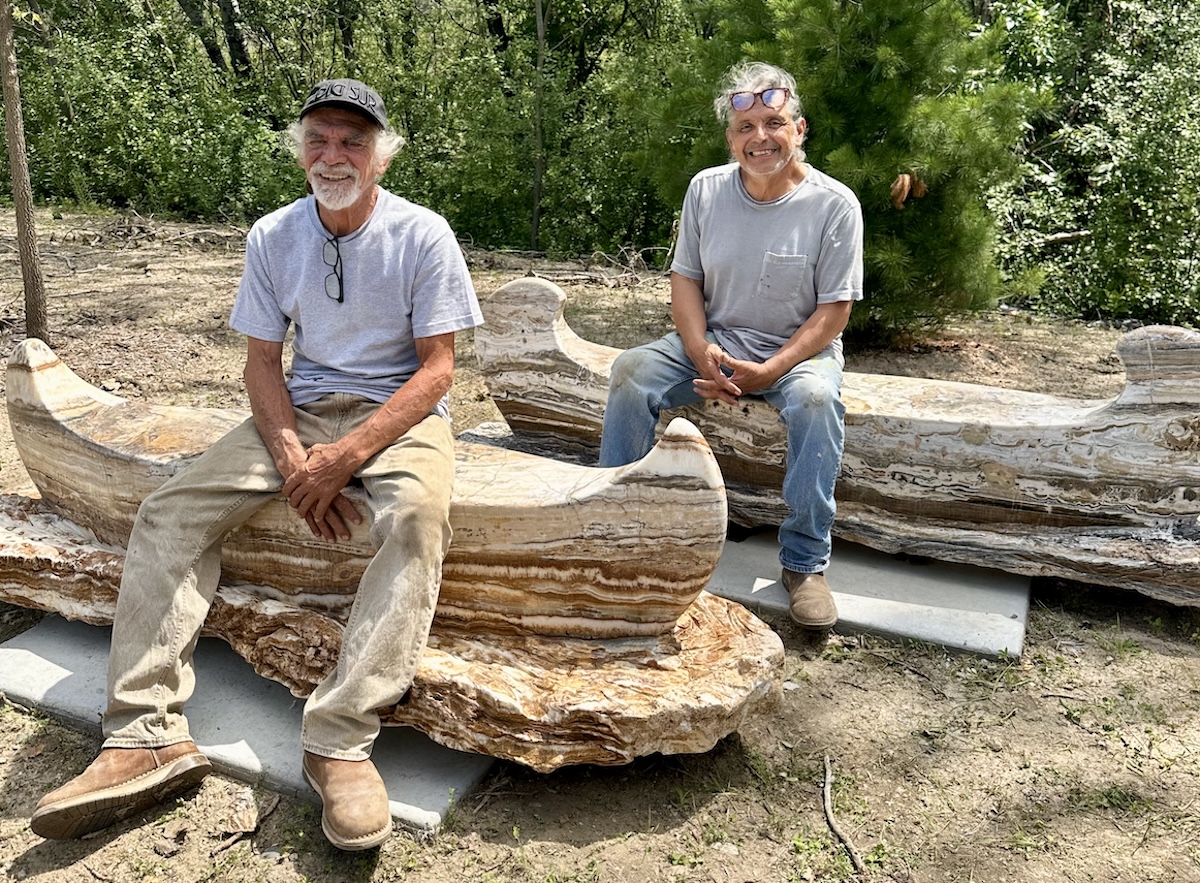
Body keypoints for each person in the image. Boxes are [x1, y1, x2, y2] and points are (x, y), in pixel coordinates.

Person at [30, 78, 482, 851]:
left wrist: (344, 457)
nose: (333, 155)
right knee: (169, 510)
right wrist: (292, 456)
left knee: (413, 518)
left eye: (353, 141)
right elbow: (263, 363)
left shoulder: (423, 234)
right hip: (299, 407)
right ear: (299, 149)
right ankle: (144, 731)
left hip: (396, 414)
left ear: (381, 156)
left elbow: (438, 370)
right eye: (319, 139)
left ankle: (338, 737)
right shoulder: (274, 234)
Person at [599, 61, 863, 630]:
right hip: (713, 341)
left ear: (800, 129)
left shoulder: (834, 205)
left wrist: (770, 371)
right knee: (630, 370)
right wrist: (698, 351)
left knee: (819, 404)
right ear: (730, 138)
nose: (760, 138)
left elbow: (834, 311)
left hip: (797, 355)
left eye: (775, 122)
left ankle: (804, 564)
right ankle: (612, 526)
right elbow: (686, 280)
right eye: (746, 128)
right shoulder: (706, 189)